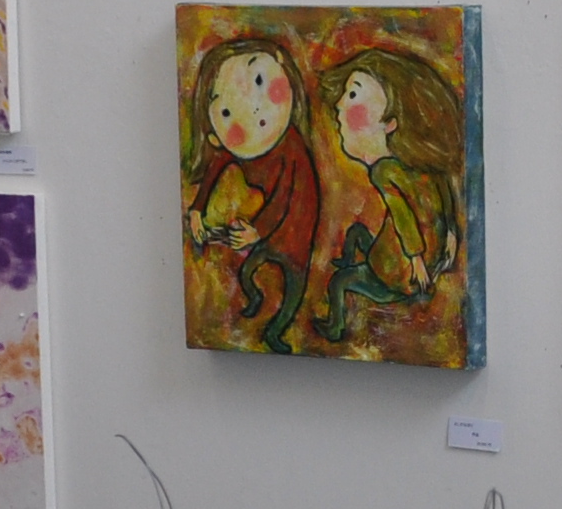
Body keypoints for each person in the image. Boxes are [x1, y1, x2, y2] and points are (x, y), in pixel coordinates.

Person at [319, 44, 466, 340]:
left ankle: (334, 328)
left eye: (352, 95)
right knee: (357, 233)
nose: (339, 105)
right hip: (430, 261)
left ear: (390, 124)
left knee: (339, 281)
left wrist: (415, 260)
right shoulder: (422, 166)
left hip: (398, 274)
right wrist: (451, 235)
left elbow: (402, 215)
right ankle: (351, 260)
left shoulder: (384, 171)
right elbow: (445, 194)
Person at [185, 35, 324, 351]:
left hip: (296, 231)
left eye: (259, 80)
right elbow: (215, 167)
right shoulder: (237, 147)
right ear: (215, 137)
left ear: (281, 64)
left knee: (293, 287)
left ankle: (276, 331)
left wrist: (256, 232)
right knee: (249, 270)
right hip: (263, 230)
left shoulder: (292, 152)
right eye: (226, 111)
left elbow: (286, 199)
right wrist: (197, 208)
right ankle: (255, 298)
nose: (251, 107)